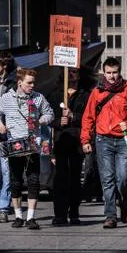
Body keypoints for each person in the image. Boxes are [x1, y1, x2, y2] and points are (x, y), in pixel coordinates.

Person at [80, 57, 127, 229]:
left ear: (119, 71)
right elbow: (88, 117)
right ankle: (110, 215)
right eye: (108, 73)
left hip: (125, 140)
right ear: (104, 72)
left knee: (123, 178)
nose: (111, 76)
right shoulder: (97, 92)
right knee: (107, 180)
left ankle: (124, 204)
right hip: (103, 140)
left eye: (114, 72)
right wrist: (85, 139)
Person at [0, 68, 54, 230]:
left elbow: (50, 114)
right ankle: (18, 216)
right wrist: (0, 125)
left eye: (34, 82)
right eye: (29, 83)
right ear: (20, 83)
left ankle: (31, 218)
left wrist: (41, 121)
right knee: (15, 181)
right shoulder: (7, 98)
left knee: (33, 180)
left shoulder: (39, 98)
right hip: (14, 144)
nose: (32, 85)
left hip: (33, 143)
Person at [48, 68, 91, 226]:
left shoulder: (86, 95)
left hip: (77, 142)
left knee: (74, 179)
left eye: (75, 72)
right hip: (60, 141)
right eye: (69, 72)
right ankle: (59, 214)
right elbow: (48, 117)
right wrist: (59, 122)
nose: (72, 75)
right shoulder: (55, 95)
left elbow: (90, 118)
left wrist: (74, 116)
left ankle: (74, 213)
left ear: (80, 75)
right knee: (60, 178)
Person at [0, 52, 17, 223]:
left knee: (7, 171)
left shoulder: (14, 84)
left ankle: (3, 207)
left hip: (9, 135)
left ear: (5, 65)